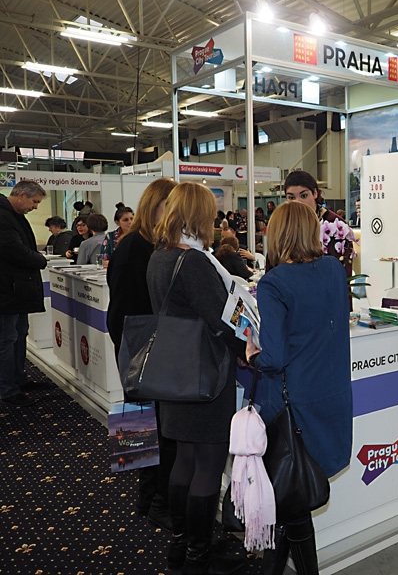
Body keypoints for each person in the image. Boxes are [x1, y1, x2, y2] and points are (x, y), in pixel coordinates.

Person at [245, 201, 352, 575]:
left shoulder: (274, 283)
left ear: (276, 234)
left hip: (293, 408)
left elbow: (274, 357)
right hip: (331, 399)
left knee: (291, 500)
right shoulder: (334, 269)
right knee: (293, 500)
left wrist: (252, 354)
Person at [147, 182, 246, 575]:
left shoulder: (160, 255)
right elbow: (222, 321)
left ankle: (181, 548)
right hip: (205, 374)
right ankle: (198, 556)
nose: (216, 220)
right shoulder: (193, 262)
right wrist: (250, 349)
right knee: (208, 464)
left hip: (174, 370)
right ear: (199, 215)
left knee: (185, 460)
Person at [106, 178, 178, 533]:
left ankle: (147, 498)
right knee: (153, 427)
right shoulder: (137, 246)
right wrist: (131, 352)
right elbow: (122, 306)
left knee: (145, 424)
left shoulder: (144, 244)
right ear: (156, 205)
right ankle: (154, 500)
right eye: (171, 204)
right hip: (143, 347)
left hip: (141, 346)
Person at [0, 181, 48, 408]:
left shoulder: (14, 215)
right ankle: (7, 389)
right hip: (7, 290)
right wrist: (39, 260)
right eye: (34, 202)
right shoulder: (4, 216)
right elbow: (15, 250)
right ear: (21, 195)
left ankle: (18, 379)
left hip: (16, 289)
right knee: (7, 339)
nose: (35, 207)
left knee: (19, 334)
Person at [284, 170, 355, 279]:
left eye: (304, 195)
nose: (298, 202)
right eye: (291, 198)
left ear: (315, 193)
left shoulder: (336, 226)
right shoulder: (283, 225)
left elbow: (343, 276)